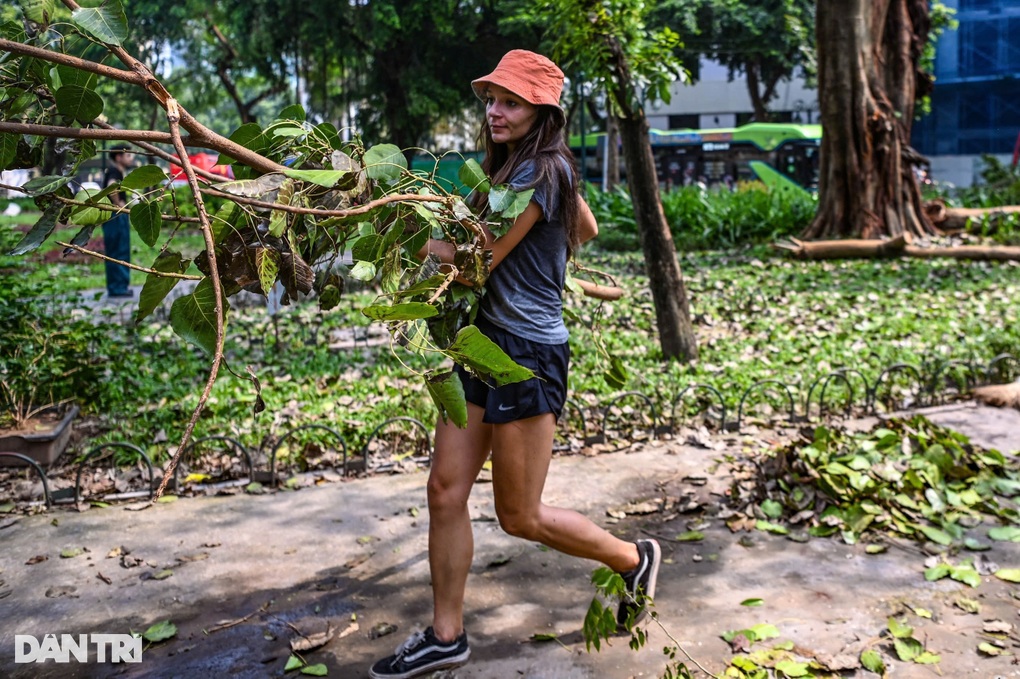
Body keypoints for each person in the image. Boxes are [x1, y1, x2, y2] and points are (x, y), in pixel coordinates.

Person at [369, 50, 661, 679]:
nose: (495, 111)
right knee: (445, 490)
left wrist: (387, 230)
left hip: (526, 357)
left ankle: (633, 560)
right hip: (479, 344)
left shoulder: (543, 169)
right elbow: (584, 229)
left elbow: (472, 263)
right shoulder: (516, 167)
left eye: (510, 102)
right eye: (491, 100)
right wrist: (550, 257)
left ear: (542, 111)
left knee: (519, 516)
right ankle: (447, 635)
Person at [101, 145, 135, 298]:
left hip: (114, 215)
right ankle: (118, 288)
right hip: (115, 216)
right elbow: (111, 187)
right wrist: (118, 204)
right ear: (118, 157)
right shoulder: (114, 171)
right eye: (128, 155)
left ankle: (119, 286)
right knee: (118, 250)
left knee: (119, 250)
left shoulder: (115, 170)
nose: (131, 158)